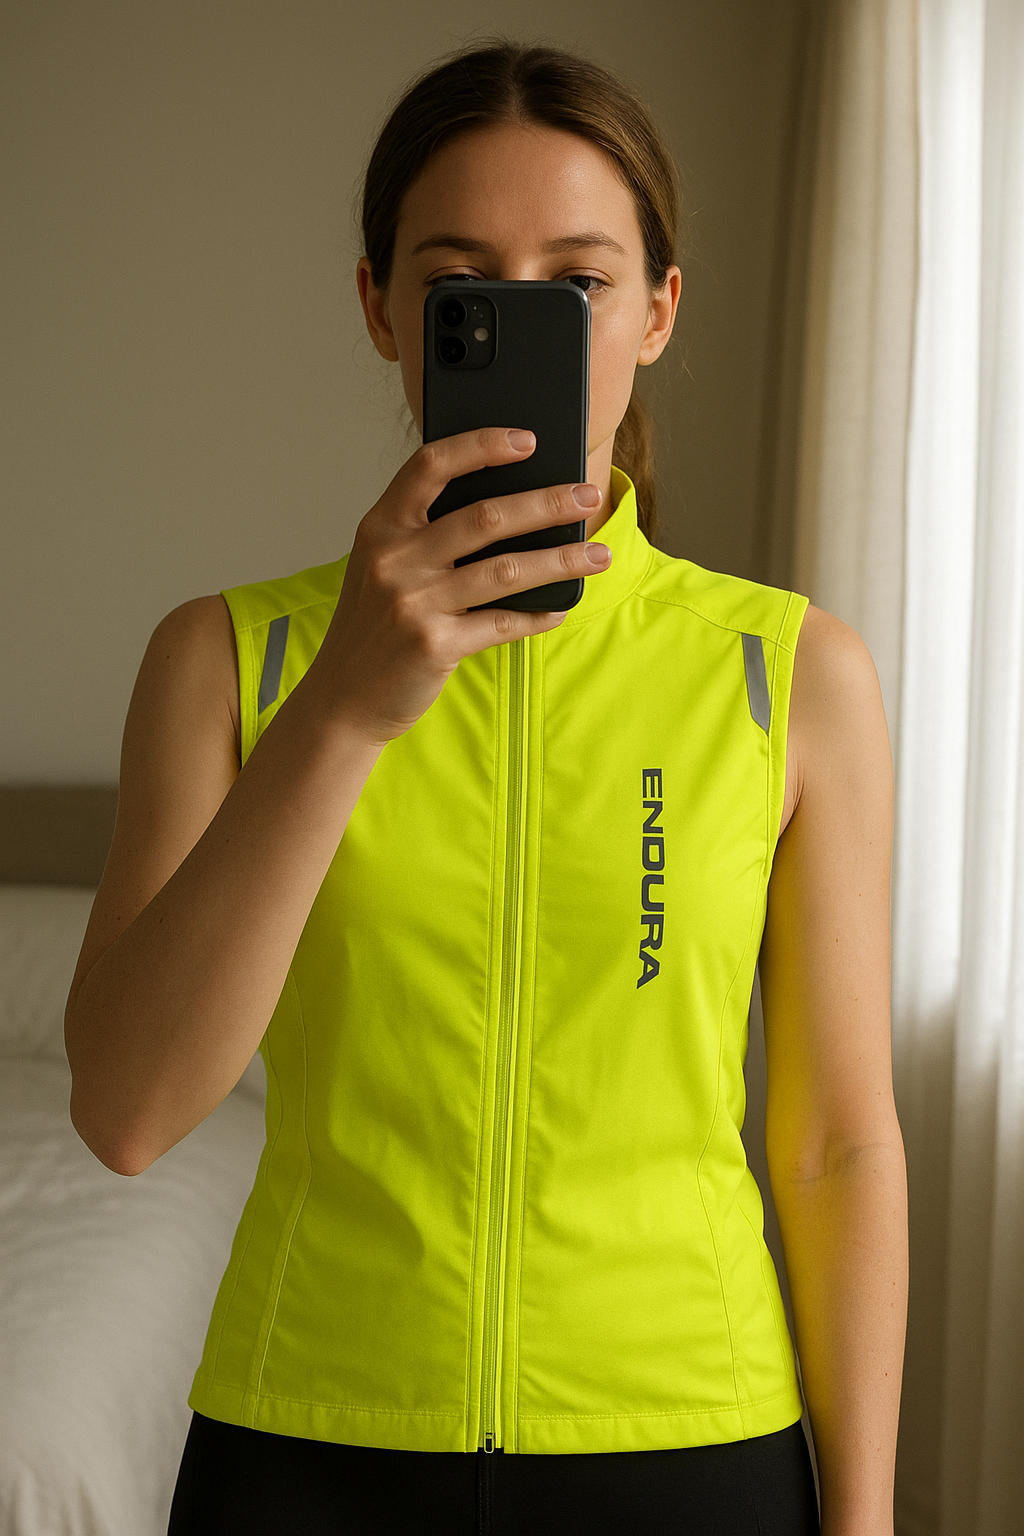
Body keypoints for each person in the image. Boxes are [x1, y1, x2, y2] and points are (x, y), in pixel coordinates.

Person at [64, 40, 908, 1536]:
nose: (528, 321)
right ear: (384, 309)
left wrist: (870, 1517)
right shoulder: (229, 660)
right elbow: (128, 1113)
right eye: (465, 284)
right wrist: (344, 708)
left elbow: (838, 1141)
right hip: (310, 1437)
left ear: (657, 311)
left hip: (689, 1441)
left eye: (578, 283)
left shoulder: (788, 674)